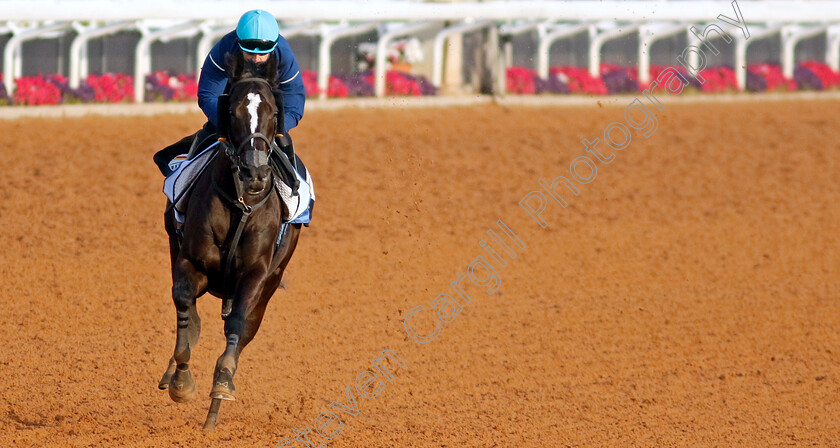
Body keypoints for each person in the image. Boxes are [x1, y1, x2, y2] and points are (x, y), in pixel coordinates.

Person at [154, 9, 306, 177]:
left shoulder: (284, 56)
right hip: (233, 105)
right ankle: (182, 186)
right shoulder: (224, 49)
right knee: (206, 138)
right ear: (239, 43)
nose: (256, 59)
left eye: (263, 53)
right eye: (250, 53)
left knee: (285, 144)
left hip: (266, 112)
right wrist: (229, 123)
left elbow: (294, 103)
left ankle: (299, 192)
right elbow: (208, 95)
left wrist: (274, 125)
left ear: (274, 47)